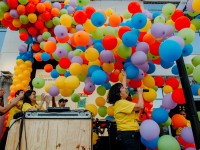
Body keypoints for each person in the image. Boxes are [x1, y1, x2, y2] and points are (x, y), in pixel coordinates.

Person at [107, 70, 144, 150]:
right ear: (119, 94)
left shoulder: (119, 103)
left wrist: (124, 76)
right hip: (129, 134)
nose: (126, 89)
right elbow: (140, 106)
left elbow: (123, 88)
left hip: (127, 135)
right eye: (123, 88)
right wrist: (140, 94)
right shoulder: (121, 103)